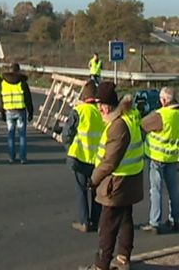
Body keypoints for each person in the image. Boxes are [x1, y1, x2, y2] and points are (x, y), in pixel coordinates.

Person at [80, 82, 144, 270]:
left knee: (107, 227)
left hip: (116, 183)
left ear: (107, 106)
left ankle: (102, 265)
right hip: (130, 179)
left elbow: (110, 161)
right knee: (125, 220)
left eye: (100, 105)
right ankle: (124, 258)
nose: (98, 109)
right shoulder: (130, 118)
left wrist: (93, 179)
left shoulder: (117, 126)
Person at [61, 80, 105, 232]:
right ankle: (96, 220)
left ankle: (84, 221)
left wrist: (69, 149)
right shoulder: (102, 113)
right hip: (97, 159)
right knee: (96, 191)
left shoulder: (78, 111)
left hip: (79, 157)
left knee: (81, 190)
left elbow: (66, 134)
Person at [140, 86, 179, 234]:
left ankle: (154, 222)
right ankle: (176, 219)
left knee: (155, 190)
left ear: (163, 100)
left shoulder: (160, 115)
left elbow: (142, 124)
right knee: (174, 191)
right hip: (173, 157)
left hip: (157, 158)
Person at [0, 63, 33, 164]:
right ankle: (23, 158)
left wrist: (2, 112)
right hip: (20, 111)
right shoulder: (22, 83)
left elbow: (2, 99)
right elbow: (28, 99)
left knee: (10, 135)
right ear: (18, 70)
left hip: (9, 111)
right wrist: (30, 112)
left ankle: (11, 157)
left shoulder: (3, 83)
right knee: (22, 135)